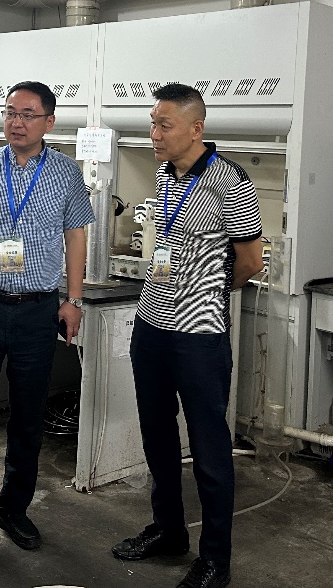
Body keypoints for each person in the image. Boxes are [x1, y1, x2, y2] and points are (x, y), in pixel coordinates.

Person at [112, 83, 264, 588]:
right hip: (151, 327)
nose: (154, 134)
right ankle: (168, 529)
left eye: (165, 125)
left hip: (199, 335)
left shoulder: (229, 181)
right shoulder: (163, 174)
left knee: (208, 448)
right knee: (156, 436)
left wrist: (205, 292)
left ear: (196, 129)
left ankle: (215, 559)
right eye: (152, 124)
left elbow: (250, 262)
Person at [0, 81, 94, 551]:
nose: (16, 122)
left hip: (36, 310)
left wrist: (73, 300)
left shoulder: (67, 174)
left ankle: (13, 510)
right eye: (10, 113)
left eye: (28, 114)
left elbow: (76, 236)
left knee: (27, 418)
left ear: (49, 122)